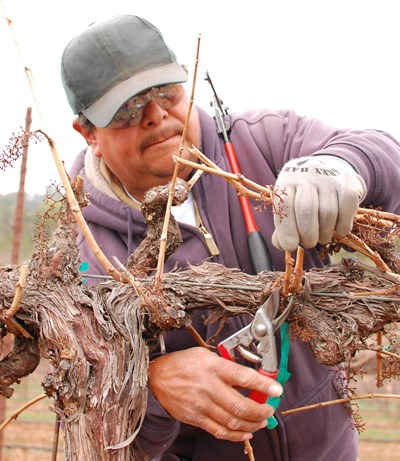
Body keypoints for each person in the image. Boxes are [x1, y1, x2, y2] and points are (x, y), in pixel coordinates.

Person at [61, 15, 400, 461]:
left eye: (166, 91)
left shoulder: (264, 141)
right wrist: (150, 384)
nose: (157, 115)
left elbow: (382, 153)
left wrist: (343, 166)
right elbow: (91, 404)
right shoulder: (84, 248)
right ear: (89, 133)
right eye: (126, 109)